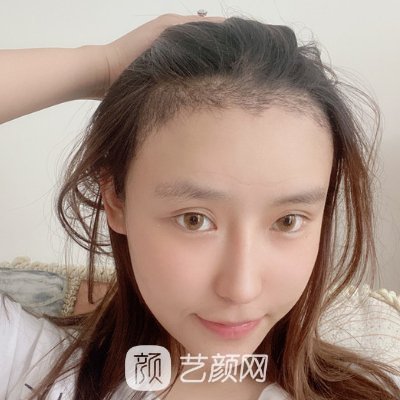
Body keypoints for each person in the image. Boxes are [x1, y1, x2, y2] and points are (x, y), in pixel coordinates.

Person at [0, 11, 399, 400]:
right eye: (194, 220)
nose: (241, 289)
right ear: (116, 199)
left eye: (288, 220)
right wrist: (101, 64)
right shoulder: (38, 371)